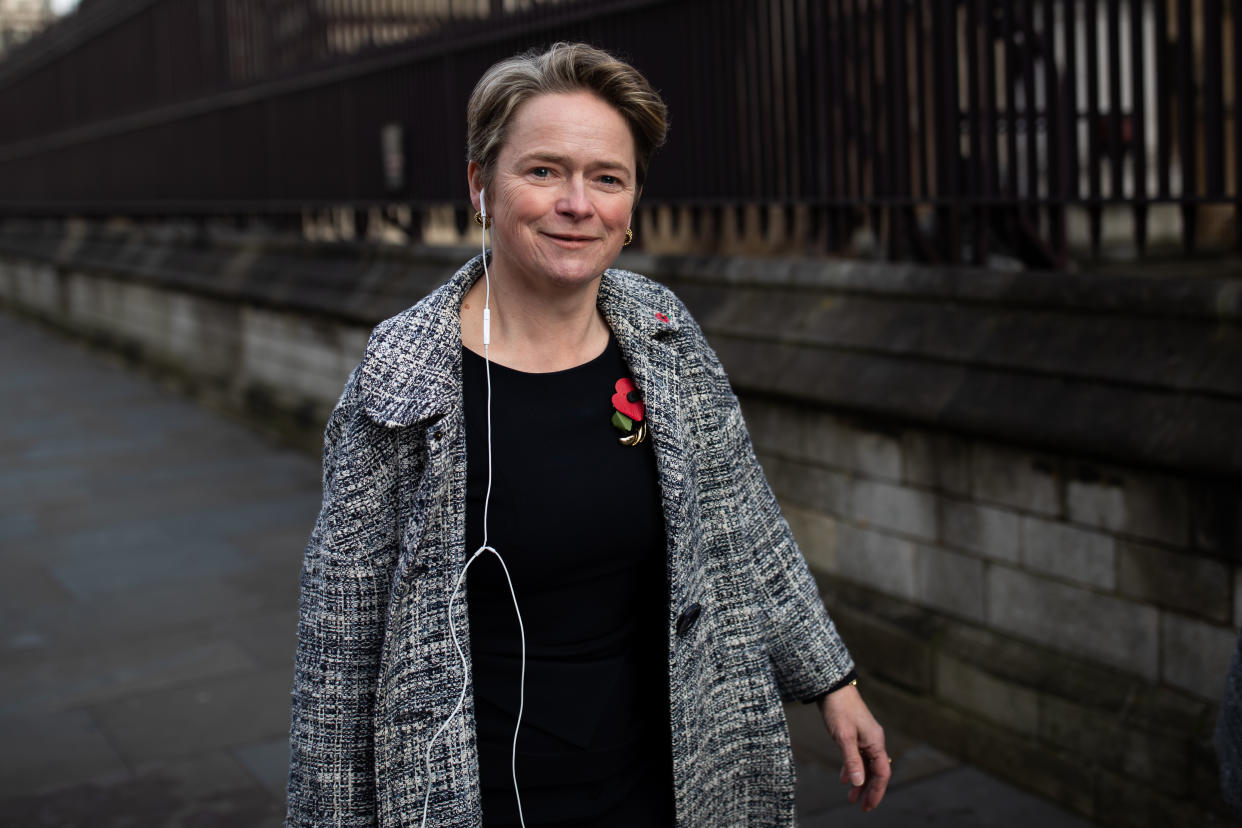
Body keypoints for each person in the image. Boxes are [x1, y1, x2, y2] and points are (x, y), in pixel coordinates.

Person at [286, 42, 890, 827]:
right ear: (481, 186)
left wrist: (831, 680)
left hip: (671, 785)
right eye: (543, 171)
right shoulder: (401, 384)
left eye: (607, 178)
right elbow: (338, 659)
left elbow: (745, 526)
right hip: (479, 799)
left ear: (631, 203)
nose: (579, 203)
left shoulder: (666, 337)